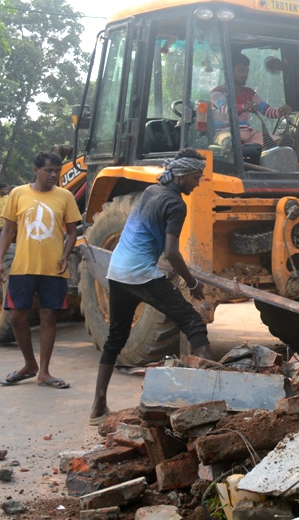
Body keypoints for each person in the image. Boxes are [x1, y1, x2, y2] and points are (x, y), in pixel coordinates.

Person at [88, 149, 213, 425]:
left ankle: (97, 409)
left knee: (115, 339)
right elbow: (171, 252)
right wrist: (192, 283)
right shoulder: (177, 205)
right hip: (140, 275)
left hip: (117, 271)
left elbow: (147, 239)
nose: (197, 182)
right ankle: (208, 404)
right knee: (193, 323)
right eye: (196, 177)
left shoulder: (149, 193)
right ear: (182, 176)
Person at [0, 151, 82, 390]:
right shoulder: (18, 194)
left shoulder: (65, 196)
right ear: (36, 170)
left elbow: (72, 232)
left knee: (48, 316)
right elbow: (8, 230)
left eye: (57, 171)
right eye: (48, 170)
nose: (54, 175)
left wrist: (65, 255)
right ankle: (29, 364)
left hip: (53, 268)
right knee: (15, 316)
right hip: (23, 266)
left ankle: (44, 372)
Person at [210, 52, 291, 146]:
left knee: (278, 144)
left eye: (247, 71)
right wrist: (244, 107)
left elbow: (266, 110)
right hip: (225, 132)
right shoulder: (218, 93)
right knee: (228, 142)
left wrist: (280, 111)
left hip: (248, 133)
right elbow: (226, 110)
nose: (245, 74)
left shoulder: (249, 93)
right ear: (229, 71)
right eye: (241, 70)